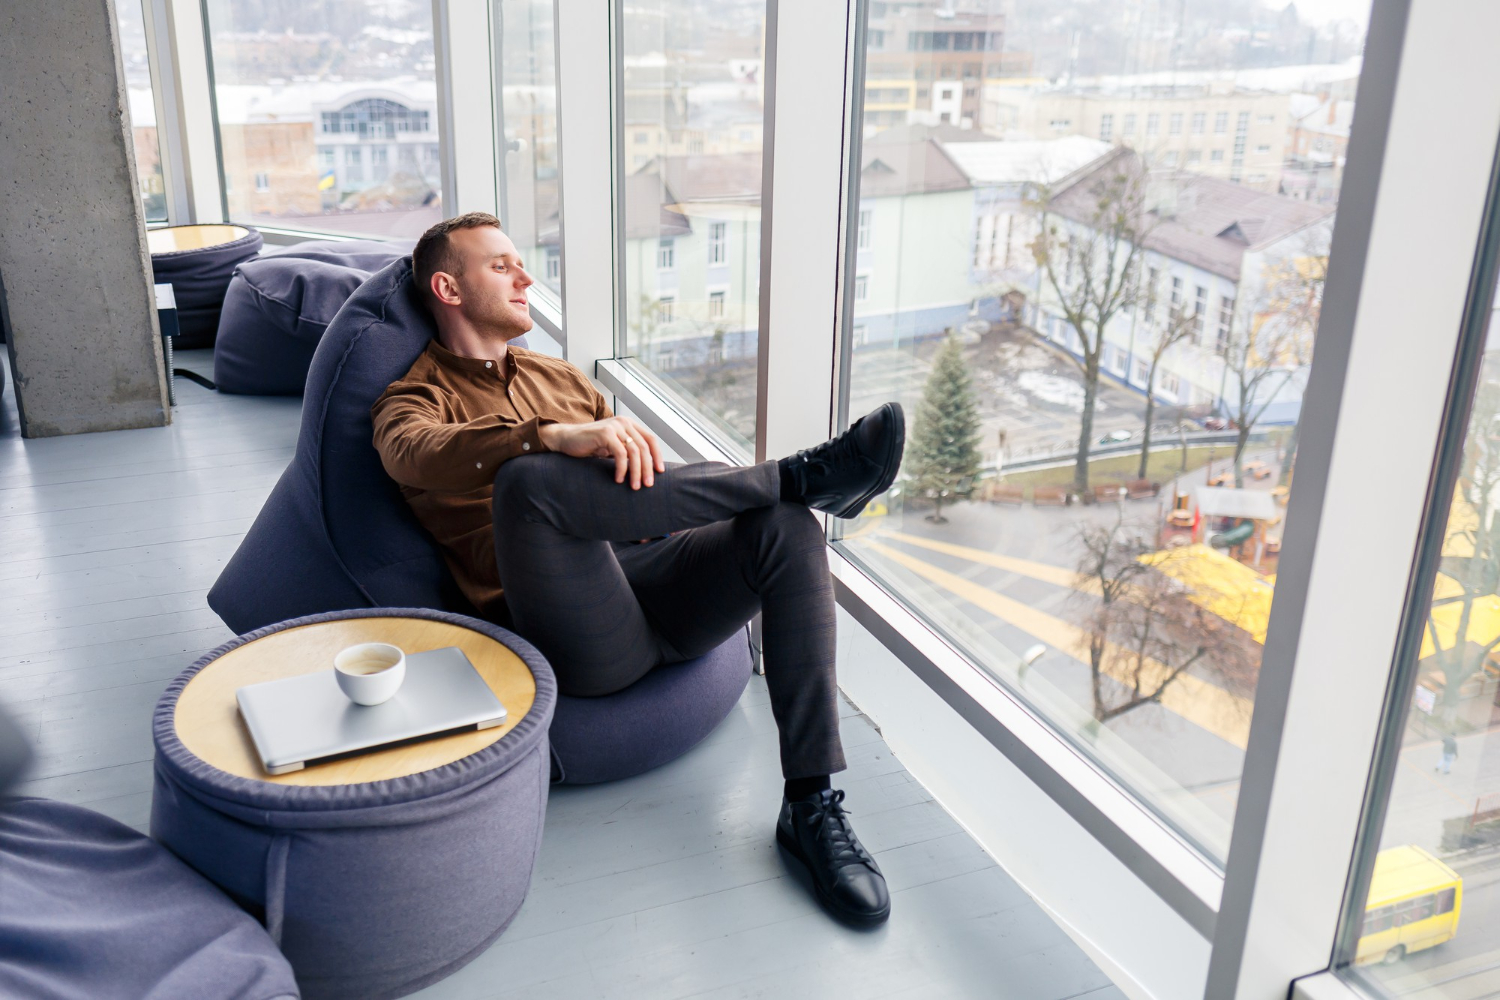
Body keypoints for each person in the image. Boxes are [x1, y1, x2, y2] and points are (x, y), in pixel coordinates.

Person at [371, 213, 905, 925]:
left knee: (787, 526)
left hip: (660, 582)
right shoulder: (412, 400)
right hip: (582, 634)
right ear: (448, 288)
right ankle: (801, 476)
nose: (526, 276)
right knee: (527, 480)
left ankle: (811, 806)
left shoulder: (561, 377)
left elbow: (641, 489)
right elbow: (414, 454)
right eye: (501, 266)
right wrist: (546, 436)